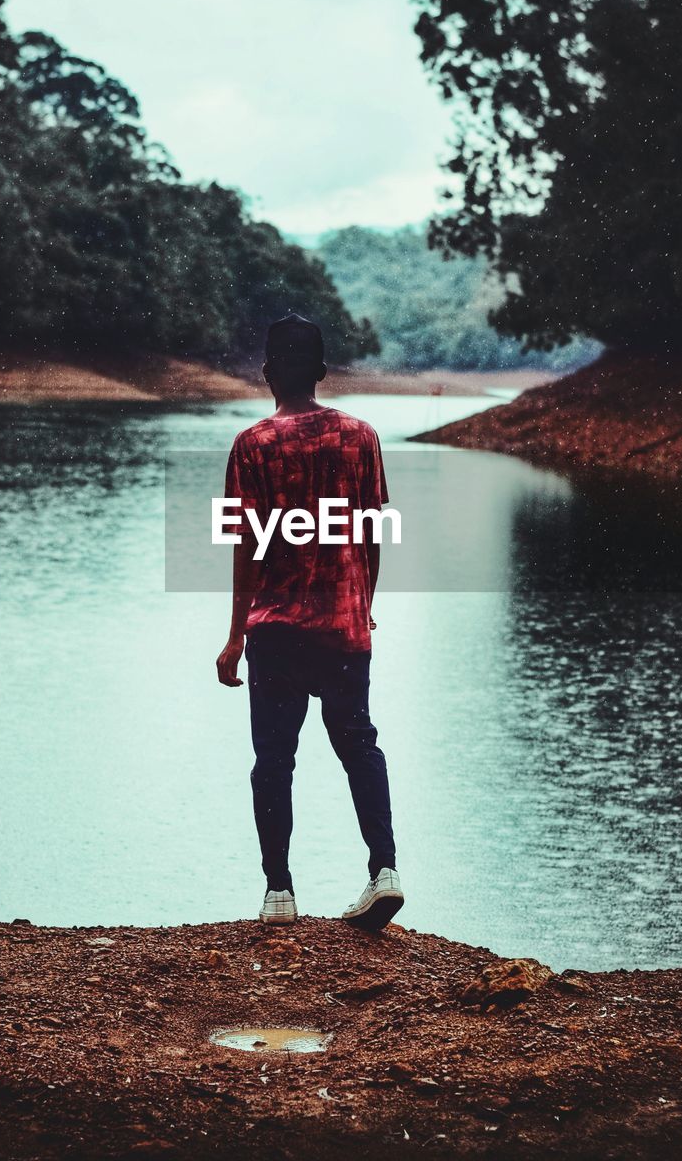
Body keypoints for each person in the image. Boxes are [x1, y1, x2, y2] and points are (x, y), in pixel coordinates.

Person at [216, 313, 404, 930]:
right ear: (322, 373)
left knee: (274, 757)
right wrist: (363, 604)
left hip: (275, 629)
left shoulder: (252, 445)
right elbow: (374, 532)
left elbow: (244, 545)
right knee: (359, 745)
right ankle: (384, 871)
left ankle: (279, 893)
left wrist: (235, 634)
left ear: (268, 373)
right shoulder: (362, 436)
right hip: (343, 626)